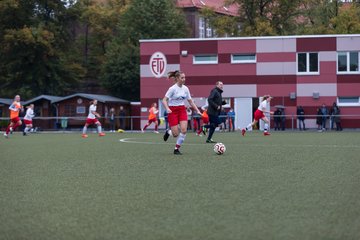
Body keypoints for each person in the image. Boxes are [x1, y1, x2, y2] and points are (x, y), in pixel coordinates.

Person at [162, 70, 201, 155]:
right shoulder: (172, 89)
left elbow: (190, 102)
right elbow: (164, 100)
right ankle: (169, 132)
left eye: (184, 77)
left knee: (184, 130)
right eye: (182, 77)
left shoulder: (186, 88)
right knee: (175, 134)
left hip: (182, 110)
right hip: (172, 110)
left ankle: (176, 149)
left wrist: (197, 110)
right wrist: (167, 108)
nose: (184, 79)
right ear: (177, 78)